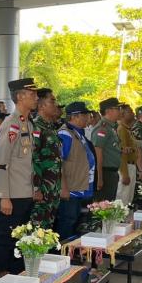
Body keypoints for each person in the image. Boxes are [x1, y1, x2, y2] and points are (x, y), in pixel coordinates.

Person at [0, 78, 39, 276]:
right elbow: (2, 163)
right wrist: (4, 196)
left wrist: (34, 189)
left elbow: (28, 162)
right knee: (7, 239)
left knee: (21, 240)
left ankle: (17, 277)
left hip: (25, 192)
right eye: (32, 94)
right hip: (13, 195)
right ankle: (0, 279)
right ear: (20, 97)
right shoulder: (10, 124)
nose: (36, 98)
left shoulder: (27, 123)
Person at [57, 102, 96, 239]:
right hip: (71, 189)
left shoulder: (78, 133)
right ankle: (63, 253)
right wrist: (64, 187)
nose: (88, 118)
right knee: (67, 222)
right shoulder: (65, 134)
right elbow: (59, 162)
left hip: (81, 187)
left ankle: (72, 252)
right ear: (75, 116)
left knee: (76, 222)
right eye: (85, 115)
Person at [30, 88, 62, 228]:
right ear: (42, 105)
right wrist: (36, 188)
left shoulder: (51, 128)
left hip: (53, 189)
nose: (56, 105)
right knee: (36, 232)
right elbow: (33, 158)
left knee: (47, 231)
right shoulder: (36, 127)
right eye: (52, 101)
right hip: (42, 190)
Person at [92, 97, 122, 202]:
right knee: (103, 206)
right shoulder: (102, 128)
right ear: (108, 111)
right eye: (117, 108)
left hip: (112, 172)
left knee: (109, 205)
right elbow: (98, 152)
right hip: (105, 172)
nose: (120, 111)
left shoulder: (111, 127)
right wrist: (99, 177)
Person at [116, 104, 142, 206]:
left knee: (128, 200)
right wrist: (125, 174)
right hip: (126, 167)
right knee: (123, 200)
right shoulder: (121, 129)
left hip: (131, 166)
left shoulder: (128, 129)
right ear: (123, 114)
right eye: (130, 111)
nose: (133, 113)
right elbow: (122, 154)